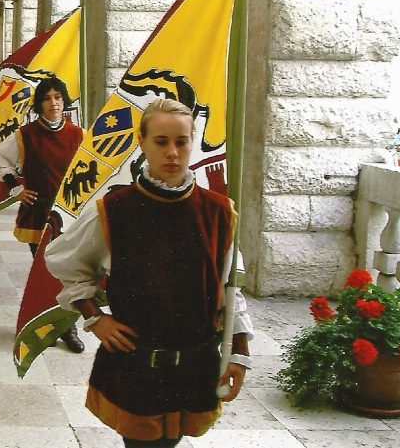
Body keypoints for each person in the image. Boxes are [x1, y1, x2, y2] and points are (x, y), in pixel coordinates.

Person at [45, 98, 253, 447]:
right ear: (142, 143)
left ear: (192, 142)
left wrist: (240, 351)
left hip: (194, 363)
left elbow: (232, 287)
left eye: (181, 141)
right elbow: (66, 263)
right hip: (136, 365)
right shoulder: (114, 210)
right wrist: (96, 318)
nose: (172, 152)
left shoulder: (218, 212)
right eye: (161, 142)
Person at [0, 76, 86, 353]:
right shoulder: (26, 134)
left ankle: (68, 328)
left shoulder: (79, 135)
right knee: (46, 271)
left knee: (70, 274)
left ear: (64, 101)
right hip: (38, 211)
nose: (53, 103)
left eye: (58, 97)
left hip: (68, 214)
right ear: (39, 103)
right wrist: (14, 189)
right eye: (47, 98)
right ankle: (48, 325)